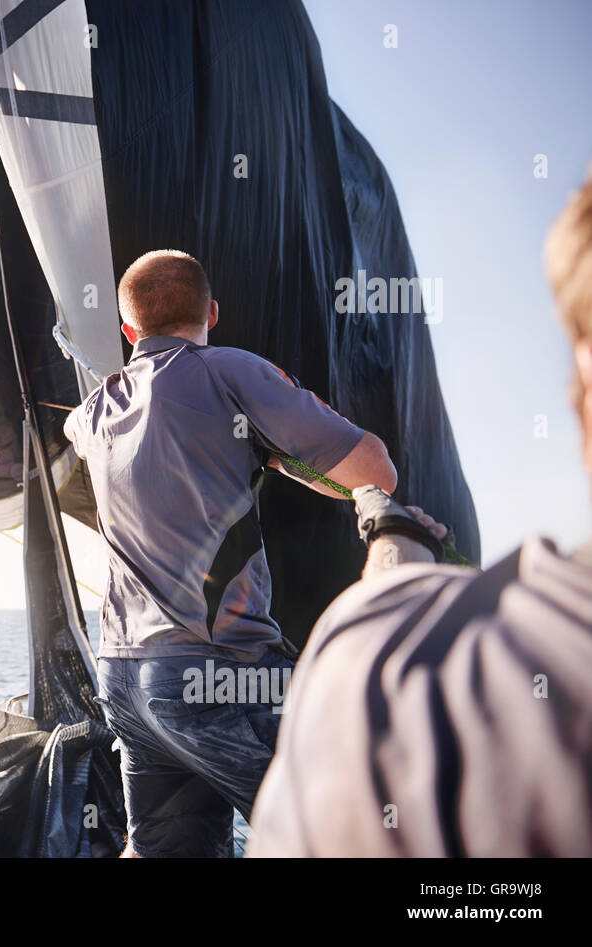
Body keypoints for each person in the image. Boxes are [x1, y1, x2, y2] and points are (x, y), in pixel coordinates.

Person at [248, 170, 592, 857]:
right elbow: (374, 473)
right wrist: (377, 502)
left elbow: (389, 623)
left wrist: (389, 529)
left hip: (131, 675)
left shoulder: (385, 681)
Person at [64, 249, 398, 857]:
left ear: (127, 331)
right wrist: (275, 446)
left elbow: (81, 433)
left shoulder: (93, 412)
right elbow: (375, 472)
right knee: (356, 834)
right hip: (219, 676)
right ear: (212, 312)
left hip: (126, 680)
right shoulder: (232, 372)